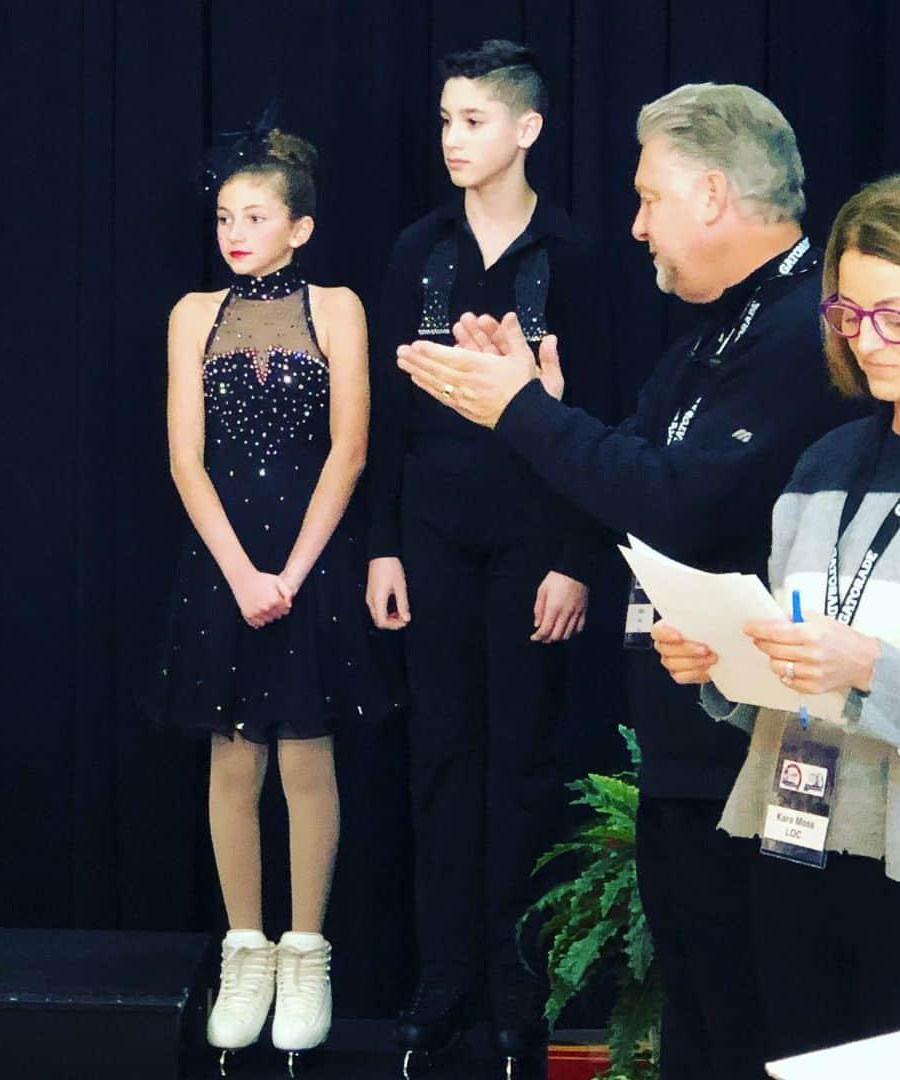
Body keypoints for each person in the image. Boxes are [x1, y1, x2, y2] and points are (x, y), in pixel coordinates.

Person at [395, 83, 867, 1080]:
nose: (637, 223)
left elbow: (682, 501)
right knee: (699, 1030)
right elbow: (626, 475)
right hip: (687, 761)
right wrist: (545, 405)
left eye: (651, 198)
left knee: (765, 1036)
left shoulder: (802, 336)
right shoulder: (712, 333)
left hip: (769, 764)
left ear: (709, 193)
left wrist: (522, 409)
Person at [365, 39, 614, 1075]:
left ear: (527, 129)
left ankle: (521, 994)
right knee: (439, 760)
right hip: (430, 533)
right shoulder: (416, 249)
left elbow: (604, 420)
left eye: (472, 121)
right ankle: (442, 985)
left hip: (532, 538)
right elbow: (383, 415)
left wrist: (575, 558)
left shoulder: (575, 253)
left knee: (523, 764)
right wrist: (382, 547)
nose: (453, 139)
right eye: (444, 121)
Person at [150, 125, 389, 1073]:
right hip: (222, 557)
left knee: (306, 753)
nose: (236, 232)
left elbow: (352, 448)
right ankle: (242, 951)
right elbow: (183, 456)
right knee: (231, 756)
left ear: (300, 226)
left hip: (311, 555)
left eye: (255, 217)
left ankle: (307, 954)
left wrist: (290, 572)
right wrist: (243, 573)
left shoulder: (336, 306)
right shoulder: (191, 313)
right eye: (224, 217)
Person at [652, 174, 900, 1061]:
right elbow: (793, 644)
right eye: (850, 315)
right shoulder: (826, 459)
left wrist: (867, 664)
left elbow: (851, 657)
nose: (868, 342)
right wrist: (721, 661)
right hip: (795, 830)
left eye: (893, 315)